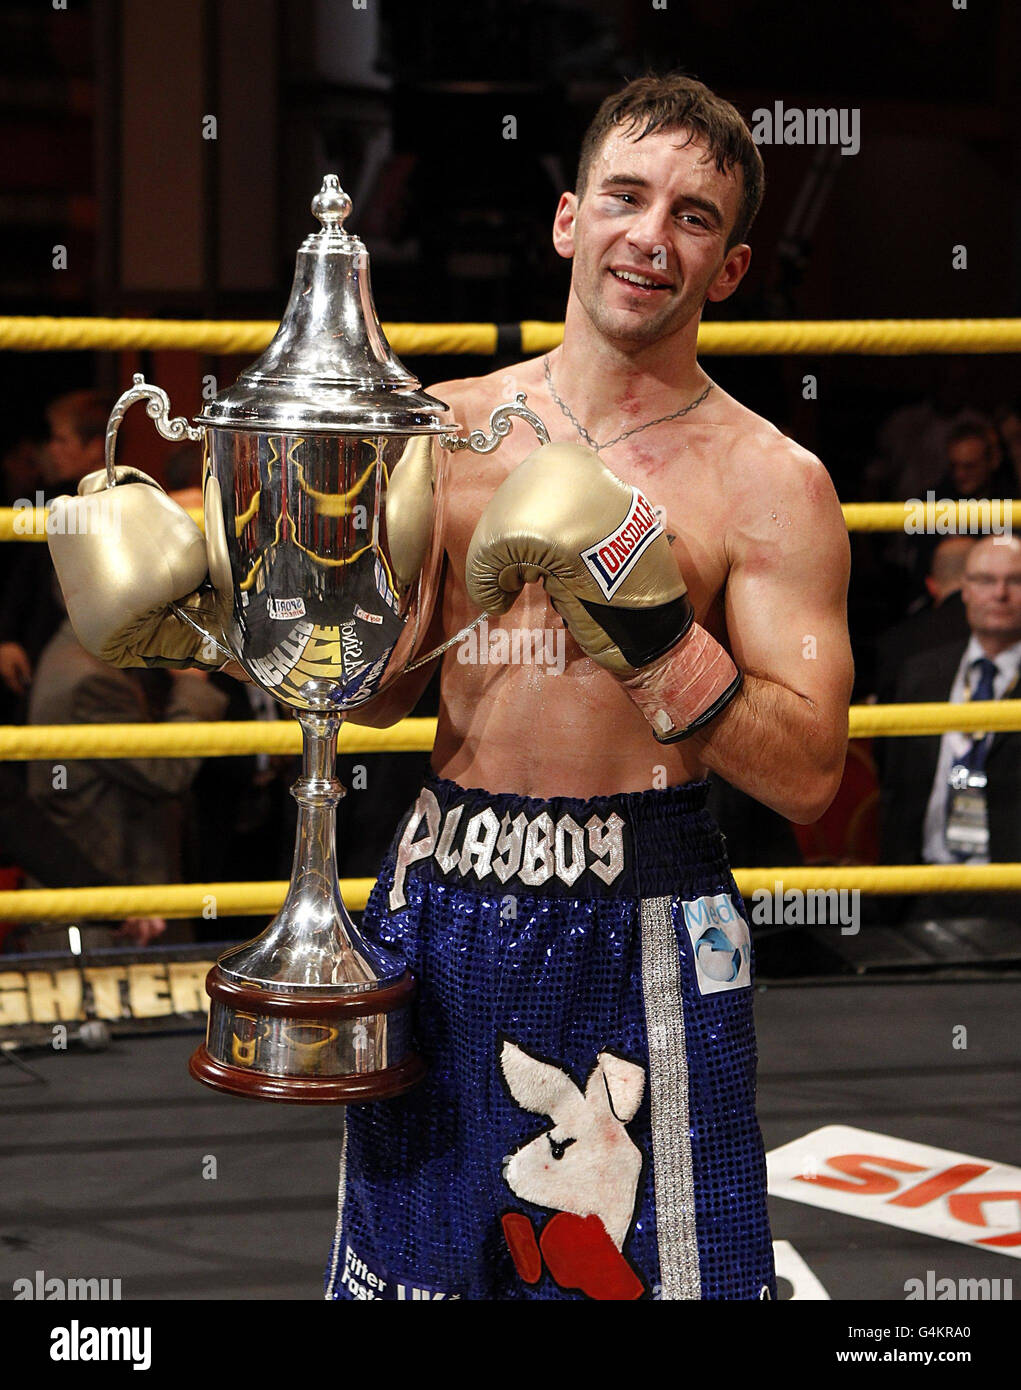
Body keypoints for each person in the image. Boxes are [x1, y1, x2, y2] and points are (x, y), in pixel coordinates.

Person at [46, 74, 852, 1300]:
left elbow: (805, 774)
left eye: (693, 216)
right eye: (626, 197)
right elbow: (366, 693)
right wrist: (207, 622)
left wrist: (653, 636)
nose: (652, 233)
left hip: (640, 906)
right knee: (414, 1273)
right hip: (444, 890)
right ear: (567, 221)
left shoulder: (770, 481)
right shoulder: (444, 431)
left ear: (728, 268)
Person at [880, 534, 1021, 922]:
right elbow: (896, 785)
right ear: (966, 590)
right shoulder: (921, 674)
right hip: (925, 887)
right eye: (985, 580)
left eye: (1015, 580)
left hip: (1010, 893)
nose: (1001, 593)